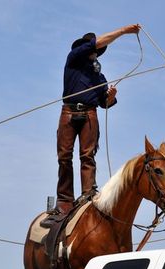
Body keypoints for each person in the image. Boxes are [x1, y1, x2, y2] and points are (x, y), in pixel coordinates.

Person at [41, 24, 141, 227]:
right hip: (69, 112)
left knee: (87, 156)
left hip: (89, 114)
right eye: (92, 47)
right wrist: (123, 31)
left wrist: (110, 97)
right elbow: (98, 42)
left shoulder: (99, 77)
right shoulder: (74, 58)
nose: (93, 51)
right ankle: (64, 202)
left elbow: (105, 103)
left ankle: (87, 193)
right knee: (64, 157)